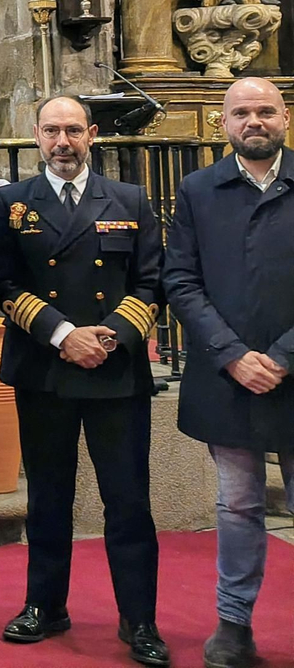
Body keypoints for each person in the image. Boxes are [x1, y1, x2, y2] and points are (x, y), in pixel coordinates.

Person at [0, 97, 168, 666]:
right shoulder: (12, 203)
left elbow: (151, 281)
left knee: (128, 500)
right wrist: (65, 334)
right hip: (45, 369)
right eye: (51, 131)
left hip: (115, 371)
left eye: (72, 130)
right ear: (36, 135)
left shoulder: (129, 199)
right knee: (47, 496)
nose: (61, 141)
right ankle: (45, 605)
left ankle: (140, 619)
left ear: (91, 134)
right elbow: (2, 284)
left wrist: (110, 336)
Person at [163, 77, 294, 668]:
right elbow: (180, 279)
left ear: (285, 117)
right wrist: (233, 354)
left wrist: (284, 357)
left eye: (265, 110)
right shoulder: (198, 189)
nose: (254, 121)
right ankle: (234, 624)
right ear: (223, 123)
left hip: (293, 371)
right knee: (238, 505)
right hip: (228, 375)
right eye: (241, 113)